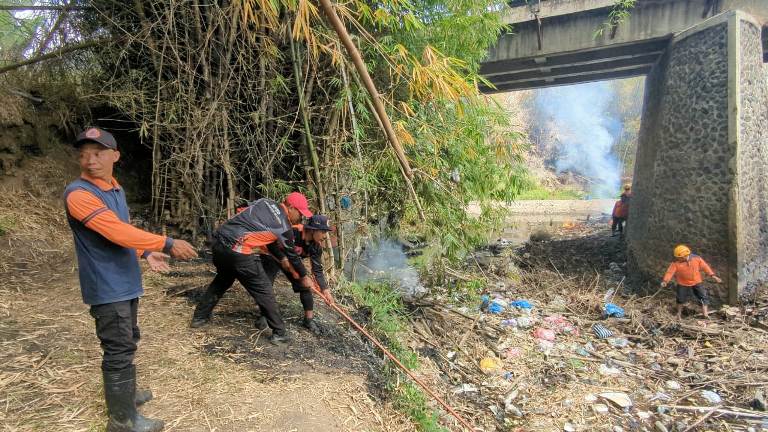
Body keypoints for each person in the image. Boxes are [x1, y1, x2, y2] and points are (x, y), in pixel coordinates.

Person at [64, 127, 198, 432]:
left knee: (128, 339)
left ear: (115, 156)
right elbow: (114, 231)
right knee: (118, 347)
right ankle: (122, 420)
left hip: (124, 281)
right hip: (106, 285)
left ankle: (125, 397)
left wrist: (145, 252)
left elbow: (121, 230)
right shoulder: (79, 194)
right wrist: (165, 243)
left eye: (98, 153)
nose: (90, 160)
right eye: (84, 155)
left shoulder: (115, 189)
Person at [189, 193, 314, 344]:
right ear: (291, 207)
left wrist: (282, 259)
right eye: (300, 213)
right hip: (238, 249)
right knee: (264, 290)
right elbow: (293, 255)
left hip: (218, 243)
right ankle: (279, 333)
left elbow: (268, 239)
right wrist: (304, 277)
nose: (301, 217)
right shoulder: (284, 226)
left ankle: (199, 317)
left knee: (223, 279)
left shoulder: (265, 202)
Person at [259, 215, 335, 334]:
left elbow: (317, 270)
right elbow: (271, 242)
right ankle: (264, 315)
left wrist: (325, 290)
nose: (325, 236)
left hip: (292, 262)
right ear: (313, 230)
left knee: (305, 285)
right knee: (267, 284)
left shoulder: (316, 246)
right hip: (272, 254)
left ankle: (308, 320)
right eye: (323, 232)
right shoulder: (293, 231)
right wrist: (283, 258)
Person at [660, 245, 722, 319]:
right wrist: (665, 281)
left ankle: (705, 314)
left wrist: (713, 275)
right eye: (677, 257)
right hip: (682, 283)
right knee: (680, 298)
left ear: (685, 256)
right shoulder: (675, 263)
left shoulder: (696, 258)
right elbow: (670, 272)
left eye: (679, 257)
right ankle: (678, 314)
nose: (677, 258)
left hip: (696, 281)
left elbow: (705, 267)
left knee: (703, 297)